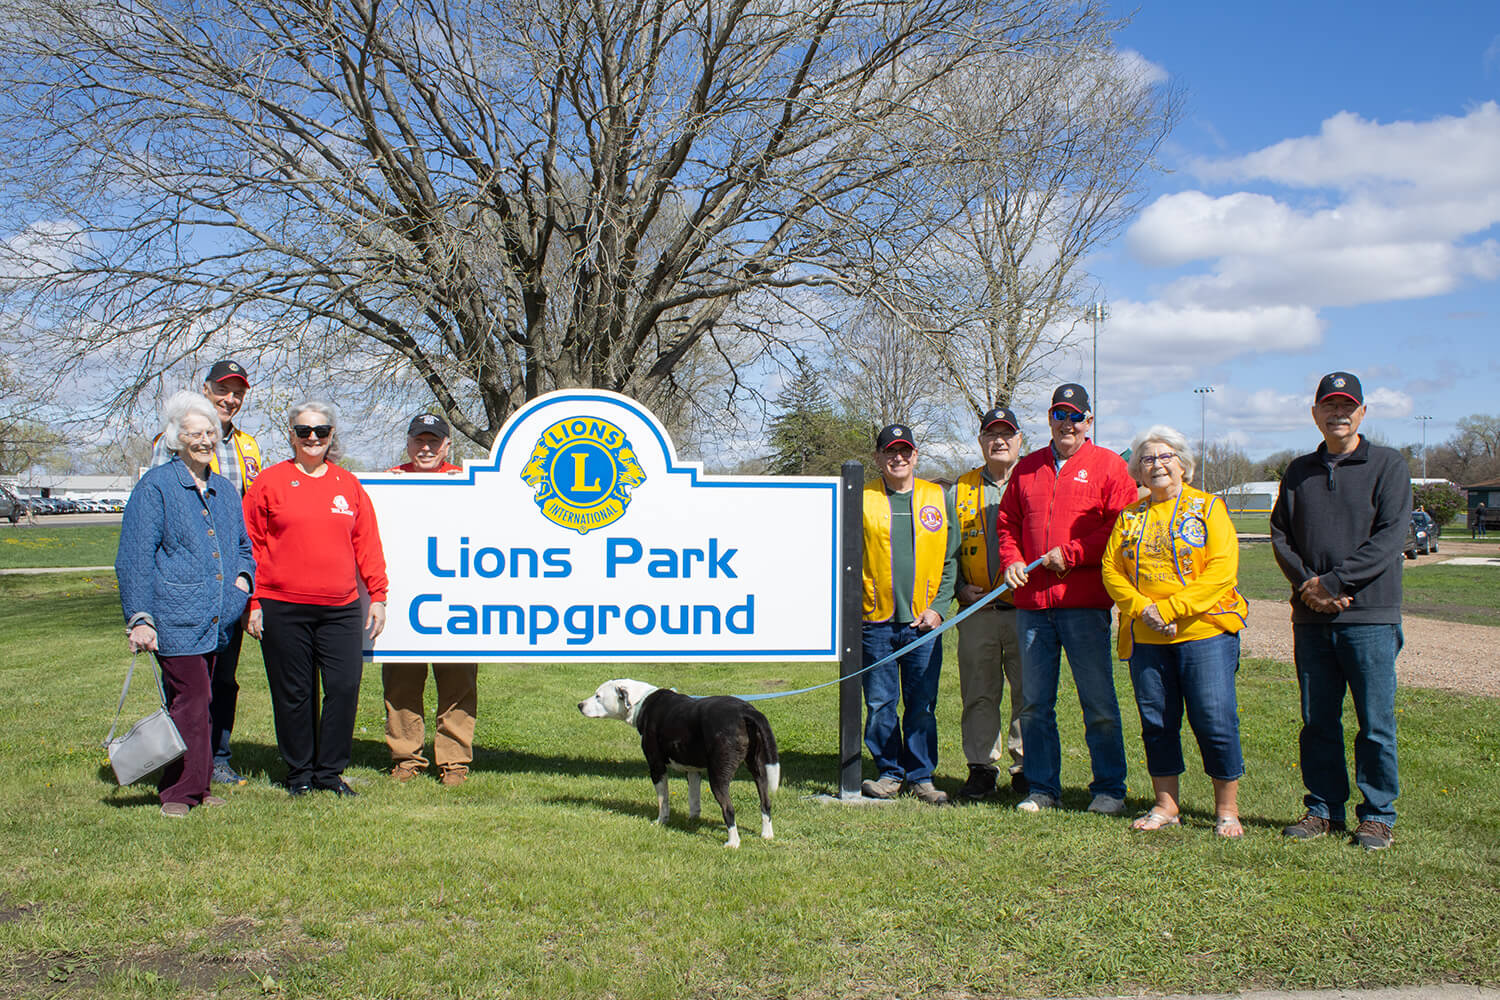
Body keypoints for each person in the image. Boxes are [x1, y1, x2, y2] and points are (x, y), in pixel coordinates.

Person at [1271, 371, 1409, 850]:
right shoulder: (1298, 471)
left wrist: (1333, 582)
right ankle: (1322, 809)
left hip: (1369, 617)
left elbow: (1391, 537)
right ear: (1315, 414)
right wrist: (1310, 586)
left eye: (1348, 406)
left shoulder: (1388, 465)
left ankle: (1377, 814)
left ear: (1363, 413)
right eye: (1329, 406)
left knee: (1374, 723)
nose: (1339, 414)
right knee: (1318, 721)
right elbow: (1281, 536)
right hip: (1312, 619)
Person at [997, 383, 1138, 815]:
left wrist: (1072, 554)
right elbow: (1007, 523)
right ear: (1050, 420)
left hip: (1085, 604)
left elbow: (1122, 530)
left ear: (1089, 421)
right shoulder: (1028, 468)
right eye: (1060, 416)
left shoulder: (1110, 467)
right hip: (1034, 608)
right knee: (1036, 704)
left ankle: (1109, 788)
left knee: (1097, 702)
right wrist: (1012, 559)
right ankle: (1041, 788)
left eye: (1075, 416)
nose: (1067, 424)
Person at [1102, 426, 1248, 837]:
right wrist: (1141, 609)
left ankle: (1227, 809)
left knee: (1214, 718)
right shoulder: (1130, 516)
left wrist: (1170, 608)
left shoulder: (1207, 508)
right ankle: (1166, 804)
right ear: (1138, 472)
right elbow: (1110, 568)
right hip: (1147, 637)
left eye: (1166, 457)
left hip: (1204, 632)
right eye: (1148, 459)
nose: (1157, 465)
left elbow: (1222, 570)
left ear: (1183, 464)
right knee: (1157, 721)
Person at [115, 391, 255, 816]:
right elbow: (134, 557)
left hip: (219, 618)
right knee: (190, 701)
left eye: (210, 431)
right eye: (195, 432)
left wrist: (241, 585)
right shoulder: (156, 487)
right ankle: (179, 793)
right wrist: (141, 618)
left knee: (205, 702)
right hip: (175, 618)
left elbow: (244, 549)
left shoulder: (225, 491)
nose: (205, 439)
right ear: (177, 438)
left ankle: (199, 781)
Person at [243, 401, 389, 797]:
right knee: (295, 693)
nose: (312, 438)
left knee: (343, 688)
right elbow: (250, 545)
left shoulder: (348, 485)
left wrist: (378, 594)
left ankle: (330, 773)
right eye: (304, 431)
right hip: (281, 605)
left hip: (340, 608)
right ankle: (299, 775)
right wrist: (252, 602)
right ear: (290, 435)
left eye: (321, 431)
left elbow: (367, 544)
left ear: (331, 437)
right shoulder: (269, 483)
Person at [149, 358, 263, 787]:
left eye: (237, 392)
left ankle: (217, 756)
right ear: (206, 388)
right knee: (186, 681)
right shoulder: (174, 439)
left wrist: (246, 586)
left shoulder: (247, 447)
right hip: (186, 585)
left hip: (229, 583)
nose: (229, 399)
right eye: (222, 389)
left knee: (224, 678)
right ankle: (178, 763)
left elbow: (250, 521)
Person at [859, 423, 959, 804]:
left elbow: (951, 562)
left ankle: (921, 776)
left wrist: (939, 609)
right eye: (889, 452)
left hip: (923, 622)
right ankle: (889, 773)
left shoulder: (938, 496)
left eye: (904, 451)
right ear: (878, 458)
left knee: (922, 703)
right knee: (880, 703)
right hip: (876, 621)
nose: (897, 458)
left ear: (915, 455)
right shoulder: (862, 496)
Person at [383, 413, 479, 787]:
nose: (425, 448)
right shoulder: (389, 480)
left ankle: (454, 762)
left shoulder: (464, 481)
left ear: (447, 445)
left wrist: (467, 493)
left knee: (458, 680)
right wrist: (385, 492)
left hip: (456, 598)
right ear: (408, 443)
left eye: (433, 442)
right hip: (404, 599)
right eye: (419, 441)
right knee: (402, 682)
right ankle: (406, 757)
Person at [948, 406, 1026, 800]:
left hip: (1026, 611)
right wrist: (959, 588)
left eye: (1006, 434)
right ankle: (981, 768)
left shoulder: (1034, 480)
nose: (999, 441)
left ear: (1019, 440)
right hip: (977, 611)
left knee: (1028, 693)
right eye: (991, 435)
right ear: (980, 442)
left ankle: (1026, 768)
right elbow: (945, 550)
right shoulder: (960, 489)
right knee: (978, 692)